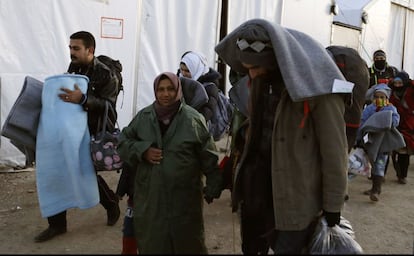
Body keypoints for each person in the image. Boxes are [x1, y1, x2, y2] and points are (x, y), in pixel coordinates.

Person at [214, 18, 349, 254]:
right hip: (256, 190)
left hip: (294, 199)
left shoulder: (318, 89)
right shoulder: (260, 81)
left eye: (256, 67)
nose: (252, 74)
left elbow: (334, 152)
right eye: (247, 69)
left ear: (275, 60)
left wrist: (332, 205)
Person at [117, 71, 223, 254]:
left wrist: (213, 187)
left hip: (185, 201)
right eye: (161, 89)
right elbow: (122, 144)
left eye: (170, 89)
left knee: (188, 244)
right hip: (151, 199)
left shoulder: (192, 120)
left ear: (178, 91)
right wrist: (143, 150)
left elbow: (209, 155)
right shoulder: (143, 118)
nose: (165, 94)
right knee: (154, 244)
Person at [34, 31, 121, 242]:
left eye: (76, 48)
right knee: (57, 169)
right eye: (70, 48)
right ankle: (57, 224)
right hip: (71, 128)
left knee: (84, 171)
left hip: (91, 130)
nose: (71, 52)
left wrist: (83, 99)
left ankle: (111, 205)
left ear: (90, 50)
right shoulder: (75, 67)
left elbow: (109, 108)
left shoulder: (106, 74)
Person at [358, 84, 401, 201]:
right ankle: (374, 188)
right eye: (377, 97)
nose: (379, 100)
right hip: (372, 143)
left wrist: (387, 121)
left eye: (382, 97)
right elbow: (362, 122)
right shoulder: (370, 108)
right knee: (373, 165)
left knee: (380, 165)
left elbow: (396, 121)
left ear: (387, 98)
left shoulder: (391, 108)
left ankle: (376, 190)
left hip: (384, 144)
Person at [177, 51, 221, 126]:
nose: (183, 73)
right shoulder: (178, 80)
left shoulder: (210, 87)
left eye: (187, 71)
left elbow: (207, 112)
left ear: (197, 69)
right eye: (182, 69)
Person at [389, 71, 414, 184]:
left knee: (404, 153)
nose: (398, 85)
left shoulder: (411, 91)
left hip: (409, 124)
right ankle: (397, 173)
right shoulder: (391, 92)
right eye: (396, 82)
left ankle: (402, 176)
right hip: (394, 123)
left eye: (400, 83)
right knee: (393, 152)